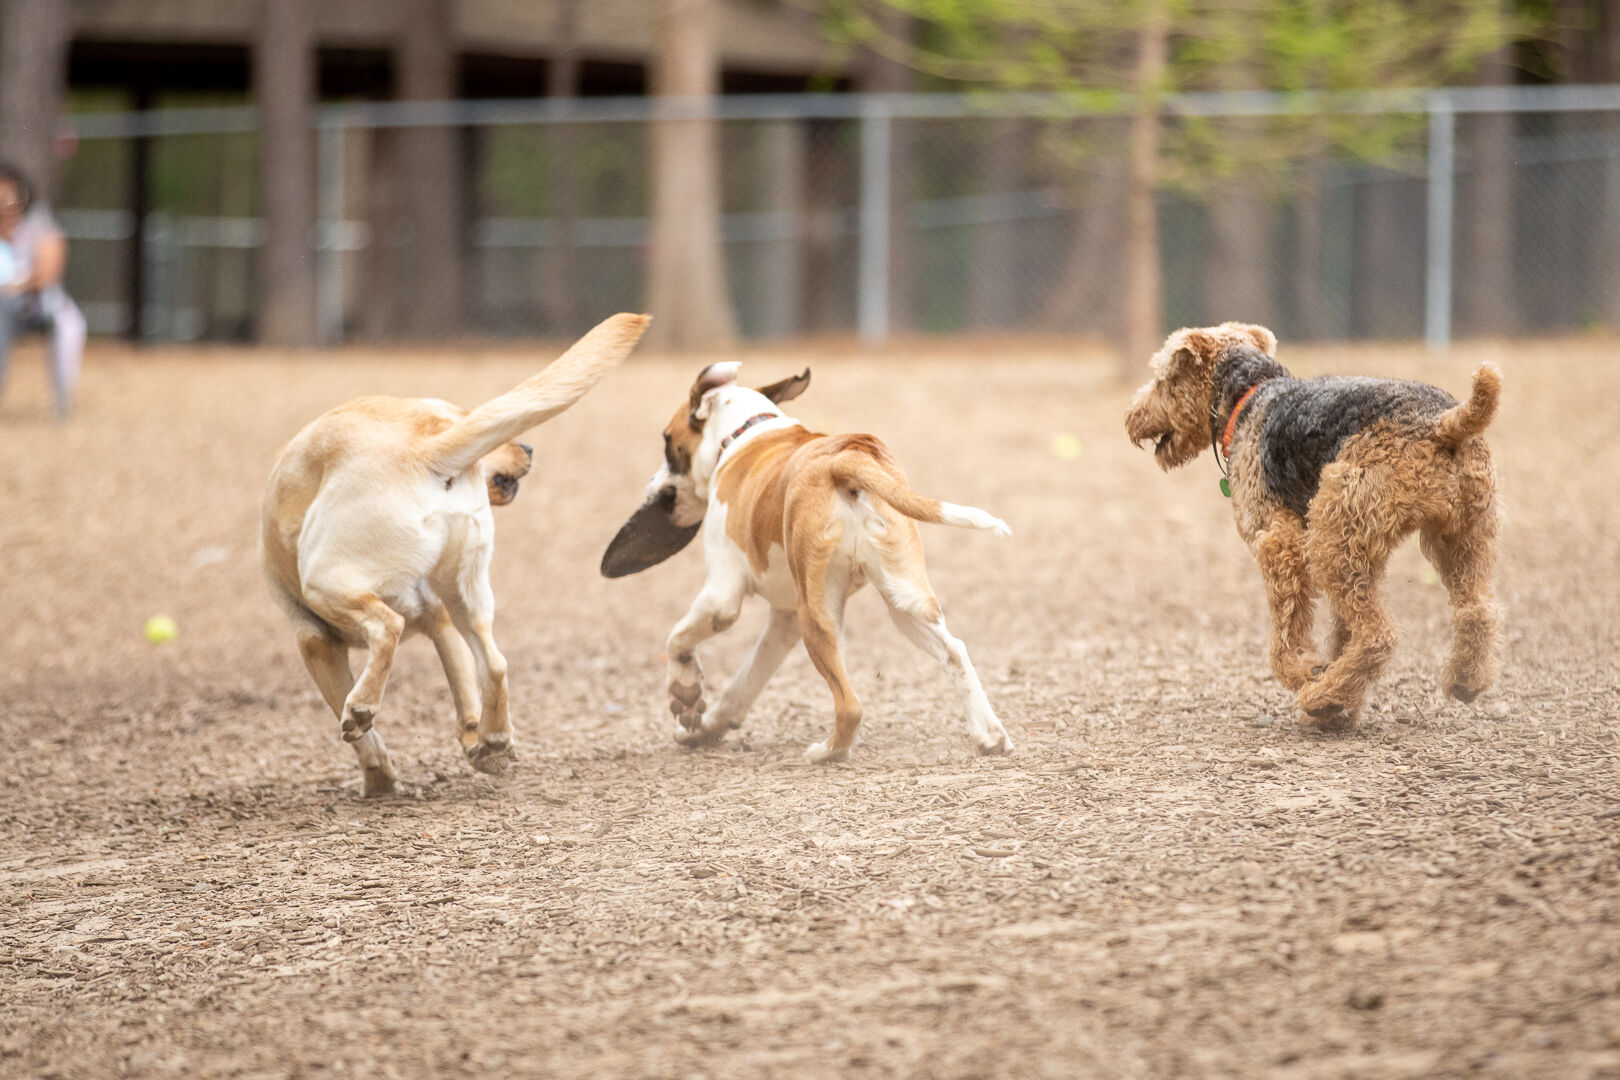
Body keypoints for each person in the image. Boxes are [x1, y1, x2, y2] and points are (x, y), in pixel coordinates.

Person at [0, 162, 86, 418]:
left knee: (68, 325)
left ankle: (63, 404)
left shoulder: (40, 229)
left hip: (37, 306)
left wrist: (15, 285)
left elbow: (48, 274)